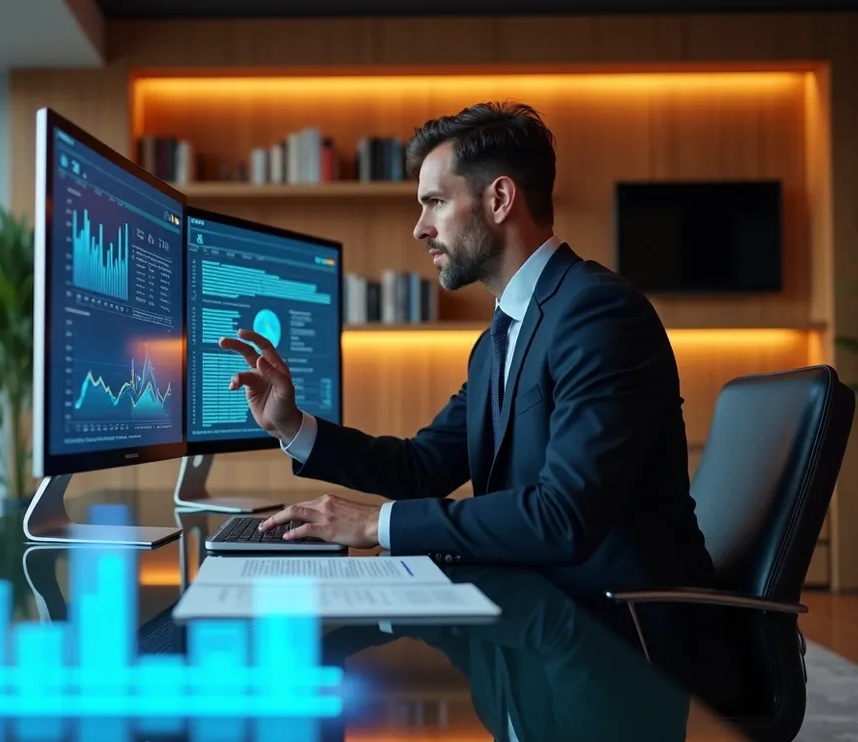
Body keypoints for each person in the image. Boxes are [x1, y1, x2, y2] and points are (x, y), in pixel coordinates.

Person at [219, 100, 716, 600]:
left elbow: (563, 516)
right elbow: (423, 467)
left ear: (499, 199)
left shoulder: (599, 315)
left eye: (435, 201)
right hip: (538, 609)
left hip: (622, 638)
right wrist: (292, 425)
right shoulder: (498, 340)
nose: (420, 227)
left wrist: (375, 524)